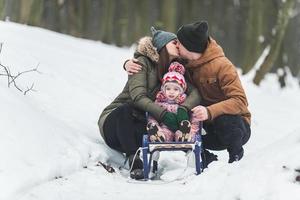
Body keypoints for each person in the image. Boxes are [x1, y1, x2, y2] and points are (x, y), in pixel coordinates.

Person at [125, 21, 251, 163]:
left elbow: (240, 101)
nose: (176, 45)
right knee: (182, 128)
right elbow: (157, 58)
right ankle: (205, 160)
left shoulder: (223, 66)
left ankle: (235, 160)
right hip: (202, 125)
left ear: (190, 47)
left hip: (233, 128)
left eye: (179, 42)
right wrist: (128, 63)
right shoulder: (183, 63)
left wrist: (209, 111)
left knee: (226, 120)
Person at [98, 27, 201, 180]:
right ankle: (134, 160)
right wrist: (163, 114)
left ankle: (153, 158)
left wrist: (183, 109)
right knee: (126, 109)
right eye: (174, 43)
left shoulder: (174, 71)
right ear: (162, 45)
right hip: (117, 123)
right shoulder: (141, 62)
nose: (178, 46)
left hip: (143, 120)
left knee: (154, 126)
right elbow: (137, 97)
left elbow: (195, 93)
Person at [147, 61, 199, 143]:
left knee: (183, 132)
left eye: (176, 89)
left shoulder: (186, 102)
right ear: (163, 89)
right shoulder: (159, 101)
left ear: (181, 90)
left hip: (182, 128)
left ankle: (184, 137)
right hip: (165, 128)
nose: (171, 92)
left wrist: (192, 131)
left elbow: (194, 118)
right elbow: (152, 116)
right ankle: (158, 136)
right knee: (165, 133)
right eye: (168, 89)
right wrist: (155, 126)